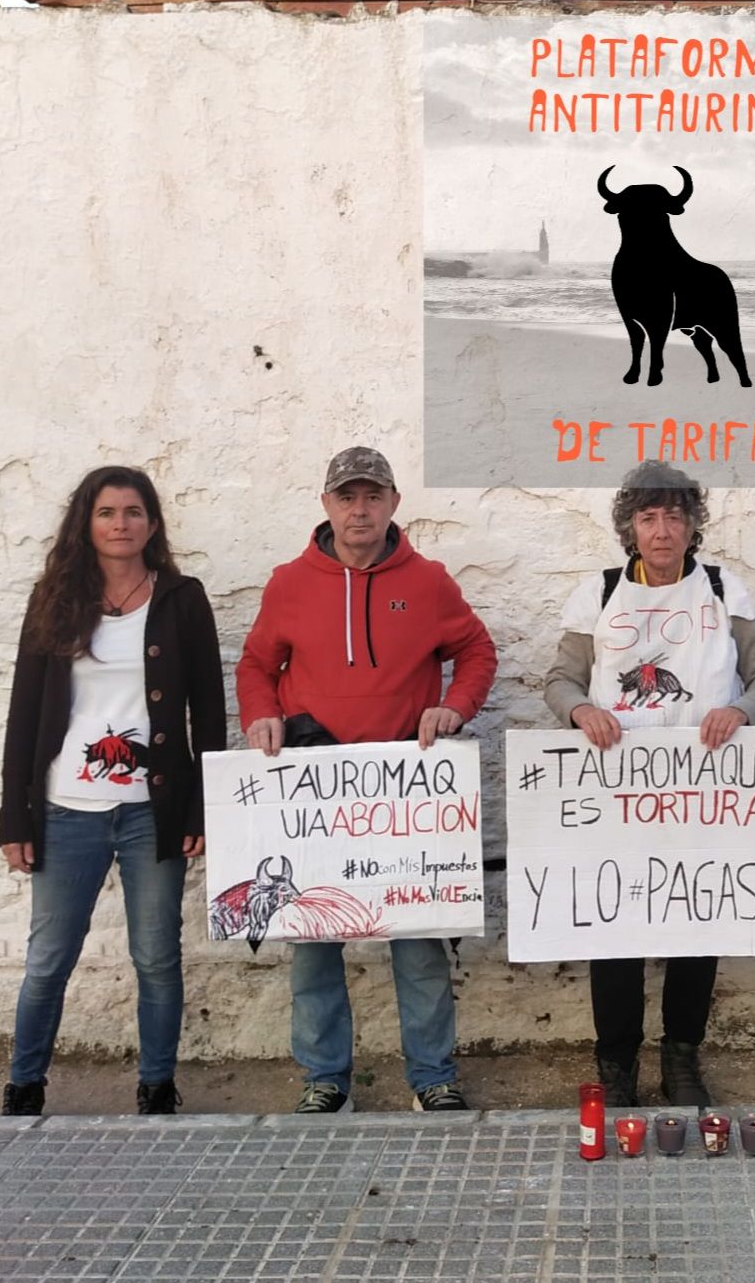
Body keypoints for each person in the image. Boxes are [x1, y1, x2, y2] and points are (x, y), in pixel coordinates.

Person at [236, 447, 497, 1114]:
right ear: (326, 504)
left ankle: (432, 1076)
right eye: (346, 496)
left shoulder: (430, 580)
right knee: (315, 946)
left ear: (392, 504)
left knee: (418, 943)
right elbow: (257, 665)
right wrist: (263, 715)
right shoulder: (290, 583)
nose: (360, 508)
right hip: (316, 797)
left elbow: (475, 649)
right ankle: (327, 1078)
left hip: (403, 796)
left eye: (372, 495)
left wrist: (455, 706)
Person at [543, 462, 755, 1107]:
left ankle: (681, 1056)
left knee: (695, 920)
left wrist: (742, 711)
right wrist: (580, 710)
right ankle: (617, 1063)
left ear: (691, 524)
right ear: (630, 526)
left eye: (674, 515)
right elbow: (559, 680)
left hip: (701, 789)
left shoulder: (721, 589)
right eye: (648, 517)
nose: (662, 529)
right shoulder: (598, 593)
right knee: (616, 923)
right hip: (618, 792)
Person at [0, 466, 226, 1117]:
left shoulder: (182, 598)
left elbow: (208, 713)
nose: (120, 523)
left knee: (156, 954)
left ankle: (156, 1083)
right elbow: (23, 712)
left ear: (152, 523)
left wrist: (201, 806)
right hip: (67, 807)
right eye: (107, 512)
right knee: (49, 956)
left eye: (133, 511)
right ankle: (24, 1082)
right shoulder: (54, 597)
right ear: (86, 522)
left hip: (151, 812)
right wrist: (16, 813)